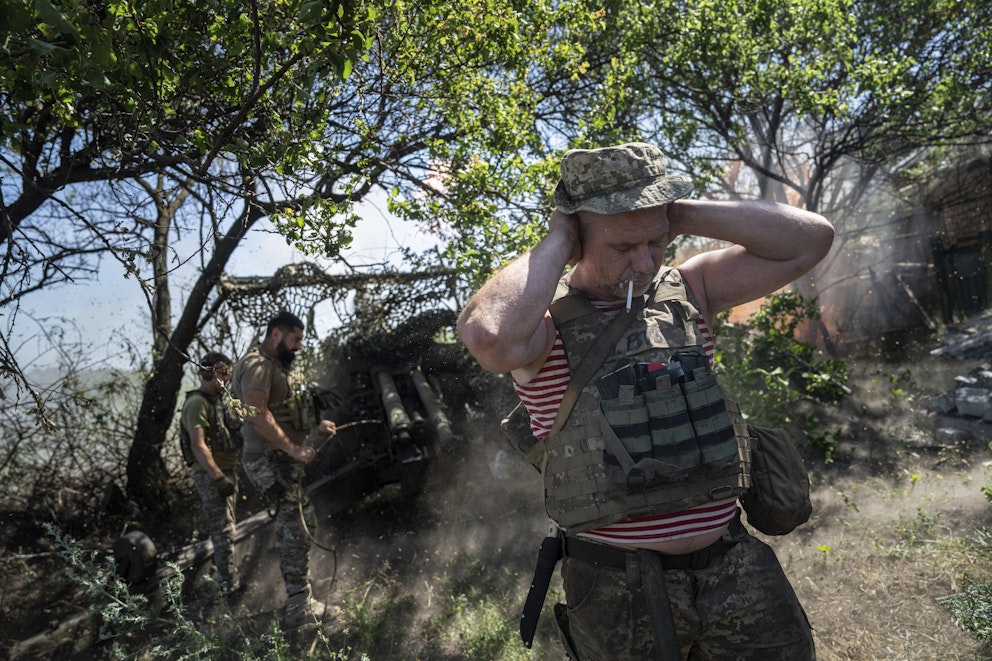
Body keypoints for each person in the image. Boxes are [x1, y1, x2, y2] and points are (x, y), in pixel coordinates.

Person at [457, 142, 834, 660]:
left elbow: (811, 240)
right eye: (622, 246)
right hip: (619, 588)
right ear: (579, 241)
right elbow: (488, 337)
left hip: (734, 565)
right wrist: (559, 234)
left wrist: (676, 212)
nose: (644, 261)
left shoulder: (689, 288)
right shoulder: (544, 327)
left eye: (655, 242)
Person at [230, 310, 340, 628]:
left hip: (283, 460)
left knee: (299, 524)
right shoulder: (256, 366)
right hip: (269, 462)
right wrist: (292, 448)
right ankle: (298, 605)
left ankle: (299, 597)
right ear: (275, 334)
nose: (299, 346)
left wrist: (318, 424)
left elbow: (291, 406)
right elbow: (257, 415)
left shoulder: (279, 367)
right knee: (297, 526)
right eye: (296, 339)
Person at [180, 351, 242, 595]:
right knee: (223, 530)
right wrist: (218, 477)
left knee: (228, 527)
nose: (226, 378)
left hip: (224, 471)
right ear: (211, 372)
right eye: (223, 373)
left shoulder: (215, 402)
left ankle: (226, 577)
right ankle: (228, 585)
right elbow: (198, 445)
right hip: (211, 475)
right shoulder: (196, 404)